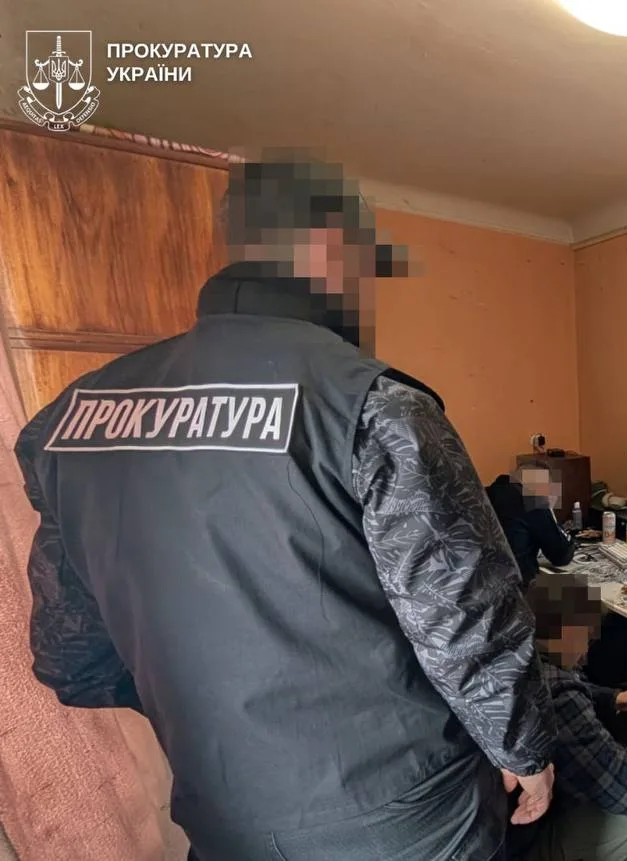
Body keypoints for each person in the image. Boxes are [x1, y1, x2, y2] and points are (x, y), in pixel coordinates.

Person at [15, 154, 557, 861]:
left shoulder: (69, 423)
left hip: (223, 814)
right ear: (330, 245)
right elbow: (466, 614)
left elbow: (70, 656)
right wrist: (526, 750)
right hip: (403, 816)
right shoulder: (373, 404)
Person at [510, 573, 627, 861]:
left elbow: (570, 683)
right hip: (530, 841)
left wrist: (615, 699)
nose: (590, 644)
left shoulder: (521, 658)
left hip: (512, 824)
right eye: (588, 635)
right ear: (569, 632)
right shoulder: (559, 695)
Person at [488, 463, 576, 587]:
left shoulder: (486, 492)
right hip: (518, 587)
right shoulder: (531, 500)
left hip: (482, 585)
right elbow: (561, 555)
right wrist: (550, 513)